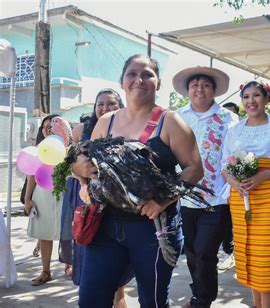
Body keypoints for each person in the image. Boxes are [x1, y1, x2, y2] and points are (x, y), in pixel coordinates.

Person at [72, 54, 203, 307]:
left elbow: (195, 169)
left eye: (147, 75)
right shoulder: (106, 122)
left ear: (158, 82)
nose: (139, 80)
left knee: (152, 302)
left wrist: (162, 200)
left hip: (152, 229)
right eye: (132, 74)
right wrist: (79, 168)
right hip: (106, 226)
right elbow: (83, 164)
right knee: (91, 299)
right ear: (122, 81)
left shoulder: (170, 121)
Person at [222, 80, 270, 308]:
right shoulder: (234, 130)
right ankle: (256, 304)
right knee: (248, 250)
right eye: (246, 97)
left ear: (267, 99)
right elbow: (224, 165)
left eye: (256, 95)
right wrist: (236, 182)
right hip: (241, 196)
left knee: (266, 255)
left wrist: (263, 176)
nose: (251, 101)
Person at [173, 66, 238, 308]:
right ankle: (199, 291)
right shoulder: (177, 117)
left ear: (214, 90)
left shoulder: (228, 119)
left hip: (217, 198)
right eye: (195, 85)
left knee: (205, 252)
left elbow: (235, 154)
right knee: (191, 251)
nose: (200, 89)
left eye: (205, 85)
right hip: (186, 197)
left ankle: (203, 299)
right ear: (188, 91)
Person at [60, 88, 130, 307]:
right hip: (86, 197)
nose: (105, 108)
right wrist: (82, 176)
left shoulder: (126, 127)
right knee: (88, 242)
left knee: (116, 249)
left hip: (117, 200)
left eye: (111, 104)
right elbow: (66, 164)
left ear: (120, 106)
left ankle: (119, 295)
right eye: (101, 103)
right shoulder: (82, 129)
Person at [24, 114, 64, 286]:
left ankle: (70, 266)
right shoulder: (39, 148)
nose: (49, 130)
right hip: (42, 195)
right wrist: (27, 198)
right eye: (46, 127)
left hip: (64, 193)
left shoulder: (69, 147)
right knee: (44, 233)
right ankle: (46, 271)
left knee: (69, 235)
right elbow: (32, 174)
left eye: (53, 126)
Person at [219, 101, 240, 270]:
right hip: (220, 186)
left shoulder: (238, 131)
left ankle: (233, 251)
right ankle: (228, 251)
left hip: (238, 186)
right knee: (226, 223)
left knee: (232, 223)